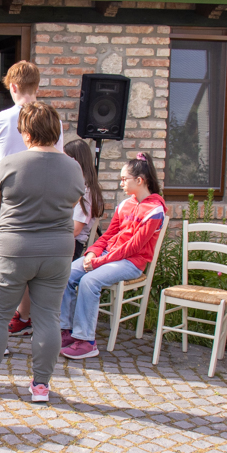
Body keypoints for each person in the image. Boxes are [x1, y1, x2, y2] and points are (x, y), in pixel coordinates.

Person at [0, 102, 85, 402]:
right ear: (55, 131)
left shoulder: (10, 163)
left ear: (26, 133)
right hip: (57, 249)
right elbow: (72, 203)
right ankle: (41, 385)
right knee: (48, 317)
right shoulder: (73, 166)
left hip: (15, 247)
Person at [0, 61, 64, 334]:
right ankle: (26, 316)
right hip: (44, 201)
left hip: (9, 202)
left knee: (4, 265)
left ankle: (1, 321)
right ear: (37, 86)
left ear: (13, 87)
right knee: (36, 266)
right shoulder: (53, 120)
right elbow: (58, 159)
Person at [59, 152, 166, 360]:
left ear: (139, 180)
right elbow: (108, 235)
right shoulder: (125, 205)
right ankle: (67, 330)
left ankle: (86, 341)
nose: (121, 183)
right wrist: (92, 252)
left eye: (124, 179)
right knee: (67, 272)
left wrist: (99, 261)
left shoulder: (155, 211)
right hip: (108, 256)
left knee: (90, 281)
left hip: (131, 262)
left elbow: (133, 247)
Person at [64, 139, 105, 258]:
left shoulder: (86, 191)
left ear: (75, 161)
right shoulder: (74, 185)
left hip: (71, 245)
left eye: (66, 159)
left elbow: (75, 230)